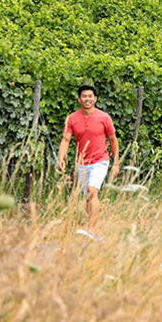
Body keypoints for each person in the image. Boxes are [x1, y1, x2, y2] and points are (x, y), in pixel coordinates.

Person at [57, 85, 120, 229]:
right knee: (88, 196)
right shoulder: (72, 118)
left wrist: (116, 162)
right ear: (79, 99)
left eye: (90, 96)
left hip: (100, 160)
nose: (87, 99)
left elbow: (113, 139)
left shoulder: (104, 117)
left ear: (95, 99)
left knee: (93, 190)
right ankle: (90, 221)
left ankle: (93, 227)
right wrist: (61, 158)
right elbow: (66, 140)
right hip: (82, 162)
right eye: (84, 96)